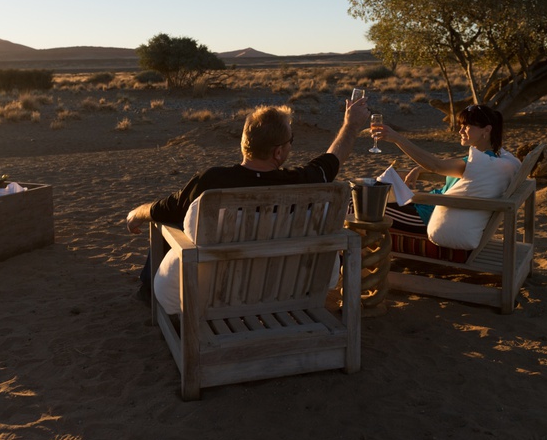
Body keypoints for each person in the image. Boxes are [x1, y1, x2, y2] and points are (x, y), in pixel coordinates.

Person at [127, 98, 370, 304]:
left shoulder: (210, 182)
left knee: (169, 222)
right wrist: (350, 126)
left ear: (245, 143)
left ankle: (147, 293)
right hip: (282, 289)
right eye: (290, 143)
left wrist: (135, 214)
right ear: (278, 153)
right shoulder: (306, 183)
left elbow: (161, 209)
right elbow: (333, 158)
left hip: (217, 295)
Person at [371, 103, 519, 235]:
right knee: (367, 199)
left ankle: (364, 259)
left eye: (466, 126)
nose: (460, 131)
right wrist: (420, 169)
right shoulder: (486, 159)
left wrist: (397, 138)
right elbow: (443, 167)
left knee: (359, 207)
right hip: (425, 207)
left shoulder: (481, 164)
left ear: (486, 130)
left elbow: (437, 165)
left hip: (425, 216)